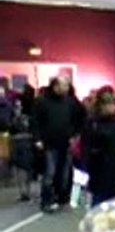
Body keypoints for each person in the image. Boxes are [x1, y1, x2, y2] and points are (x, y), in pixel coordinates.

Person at [32, 76, 83, 212]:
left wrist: (75, 134)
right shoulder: (42, 101)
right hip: (48, 143)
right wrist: (37, 139)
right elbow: (35, 122)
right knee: (50, 173)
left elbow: (81, 117)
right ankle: (46, 201)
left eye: (67, 85)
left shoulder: (71, 102)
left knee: (65, 173)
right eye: (64, 85)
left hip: (66, 143)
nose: (67, 88)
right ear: (55, 86)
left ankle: (63, 198)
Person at [81, 92, 115, 205]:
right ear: (100, 106)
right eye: (107, 104)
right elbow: (86, 148)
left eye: (112, 104)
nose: (111, 107)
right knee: (99, 207)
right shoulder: (92, 124)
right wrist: (87, 168)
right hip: (100, 170)